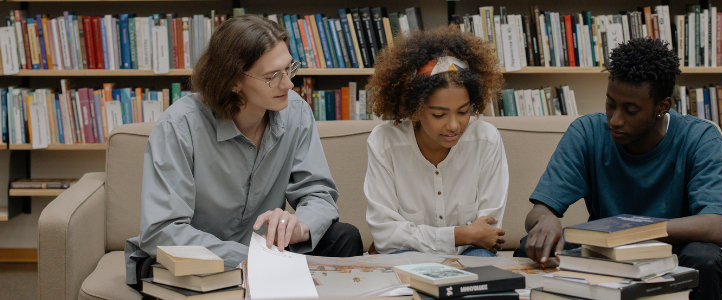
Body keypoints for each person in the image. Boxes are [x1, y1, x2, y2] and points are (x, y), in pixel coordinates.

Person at [125, 15, 363, 289]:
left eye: (289, 69)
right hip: (198, 259)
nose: (288, 84)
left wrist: (300, 226)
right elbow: (162, 231)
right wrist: (255, 259)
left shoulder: (295, 111)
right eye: (272, 76)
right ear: (233, 81)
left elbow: (318, 192)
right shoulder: (179, 126)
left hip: (264, 252)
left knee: (344, 236)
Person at [515, 38, 722, 300]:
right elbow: (539, 211)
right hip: (605, 250)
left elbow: (717, 226)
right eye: (610, 104)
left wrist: (630, 233)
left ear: (662, 107)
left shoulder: (700, 137)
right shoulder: (587, 132)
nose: (615, 120)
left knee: (706, 260)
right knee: (527, 249)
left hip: (674, 250)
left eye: (630, 110)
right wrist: (546, 220)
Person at [364, 25, 508, 257]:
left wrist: (419, 237)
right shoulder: (384, 143)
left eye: (463, 112)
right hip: (408, 256)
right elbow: (385, 235)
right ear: (415, 108)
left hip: (471, 252)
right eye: (439, 115)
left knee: (482, 261)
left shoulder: (486, 140)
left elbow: (487, 233)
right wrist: (460, 235)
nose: (453, 125)